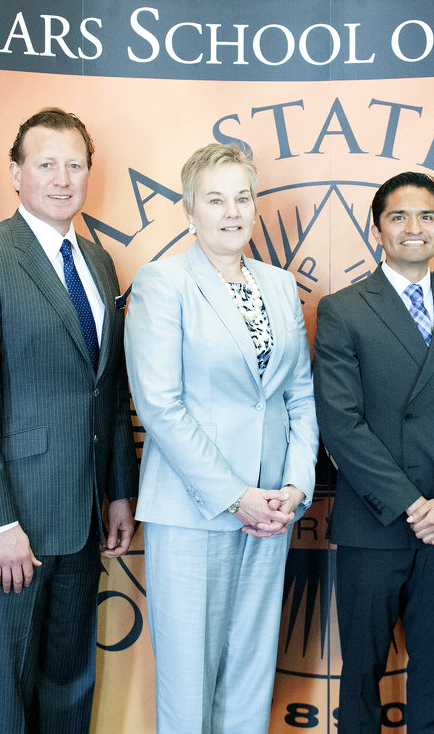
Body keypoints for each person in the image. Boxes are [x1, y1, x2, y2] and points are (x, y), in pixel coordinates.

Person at [0, 107, 138, 733]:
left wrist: (121, 492)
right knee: (7, 688)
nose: (62, 177)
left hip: (81, 516)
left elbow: (107, 388)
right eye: (46, 163)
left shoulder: (99, 265)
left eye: (75, 164)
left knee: (70, 681)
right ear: (16, 173)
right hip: (13, 522)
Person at [124, 142, 317, 733]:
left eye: (243, 197)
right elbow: (160, 404)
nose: (232, 211)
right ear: (189, 210)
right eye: (215, 199)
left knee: (251, 675)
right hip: (194, 510)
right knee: (188, 684)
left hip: (271, 513)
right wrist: (238, 495)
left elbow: (299, 396)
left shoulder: (280, 285)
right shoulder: (162, 282)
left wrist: (294, 488)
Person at [313, 171, 434, 734]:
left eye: (427, 217)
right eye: (398, 217)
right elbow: (341, 423)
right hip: (377, 521)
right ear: (377, 229)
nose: (414, 228)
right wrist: (413, 504)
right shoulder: (343, 309)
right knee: (361, 677)